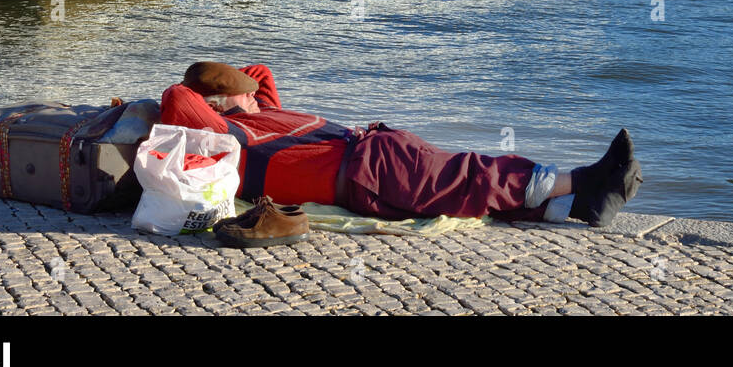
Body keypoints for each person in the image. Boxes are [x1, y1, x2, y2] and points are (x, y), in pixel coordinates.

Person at [159, 61, 642, 227]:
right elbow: (177, 97)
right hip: (367, 173)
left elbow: (260, 73)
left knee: (464, 194)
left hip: (378, 151)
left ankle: (581, 205)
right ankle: (586, 179)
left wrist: (238, 91)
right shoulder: (227, 142)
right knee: (470, 176)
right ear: (216, 105)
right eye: (231, 93)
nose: (252, 93)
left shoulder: (262, 112)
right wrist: (218, 99)